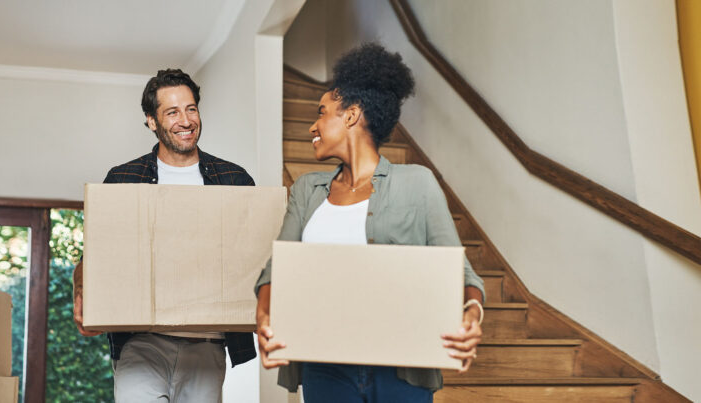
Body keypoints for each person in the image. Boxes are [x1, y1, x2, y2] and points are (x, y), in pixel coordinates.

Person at [253, 43, 485, 402]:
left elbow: (461, 272)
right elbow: (276, 269)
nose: (312, 125)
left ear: (351, 115)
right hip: (323, 366)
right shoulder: (306, 190)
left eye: (323, 113)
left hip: (402, 370)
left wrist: (472, 313)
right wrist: (264, 316)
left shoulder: (417, 183)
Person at [73, 68, 256, 403]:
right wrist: (83, 293)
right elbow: (98, 251)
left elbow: (254, 256)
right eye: (172, 112)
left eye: (191, 109)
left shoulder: (235, 178)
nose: (185, 120)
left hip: (208, 343)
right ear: (151, 121)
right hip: (141, 341)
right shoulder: (123, 177)